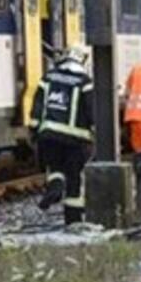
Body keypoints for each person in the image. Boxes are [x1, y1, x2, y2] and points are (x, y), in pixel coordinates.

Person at [29, 45, 94, 225]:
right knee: (74, 178)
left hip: (49, 136)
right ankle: (72, 220)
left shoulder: (48, 77)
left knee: (55, 167)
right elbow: (91, 111)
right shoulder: (85, 82)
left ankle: (55, 187)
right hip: (76, 140)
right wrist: (95, 131)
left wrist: (34, 130)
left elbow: (37, 106)